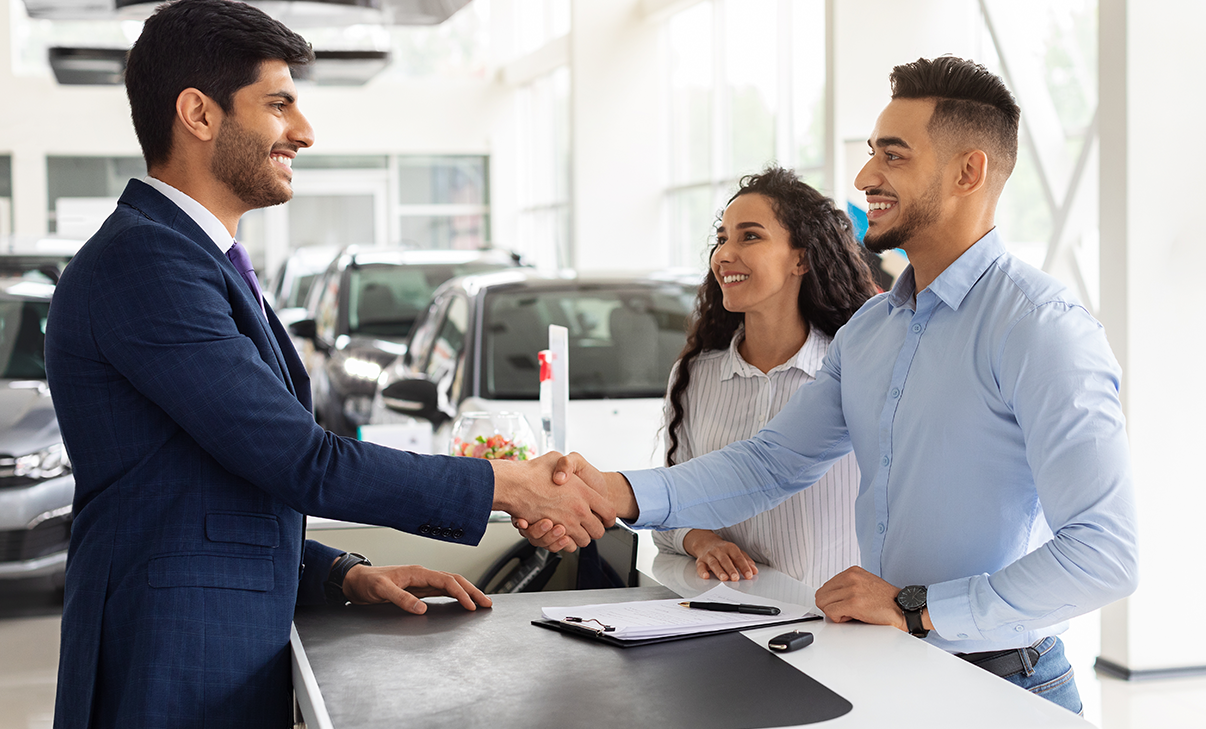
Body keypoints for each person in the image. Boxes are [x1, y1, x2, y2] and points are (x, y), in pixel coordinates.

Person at [43, 2, 613, 727]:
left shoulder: (193, 258)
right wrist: (509, 485)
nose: (305, 132)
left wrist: (342, 572)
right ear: (198, 113)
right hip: (168, 663)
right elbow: (298, 458)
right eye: (279, 105)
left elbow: (201, 494)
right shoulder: (146, 262)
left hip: (207, 648)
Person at [527, 56, 1138, 713]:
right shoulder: (871, 331)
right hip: (890, 668)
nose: (865, 177)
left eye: (893, 156)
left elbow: (1105, 553)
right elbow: (772, 462)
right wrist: (614, 491)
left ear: (969, 172)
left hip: (1005, 683)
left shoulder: (1041, 327)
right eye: (873, 152)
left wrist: (918, 606)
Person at [651, 167, 875, 586]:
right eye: (722, 239)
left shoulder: (859, 369)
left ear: (801, 259)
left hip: (834, 618)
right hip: (728, 611)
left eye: (749, 236)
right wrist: (703, 542)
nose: (723, 254)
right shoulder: (695, 375)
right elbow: (669, 509)